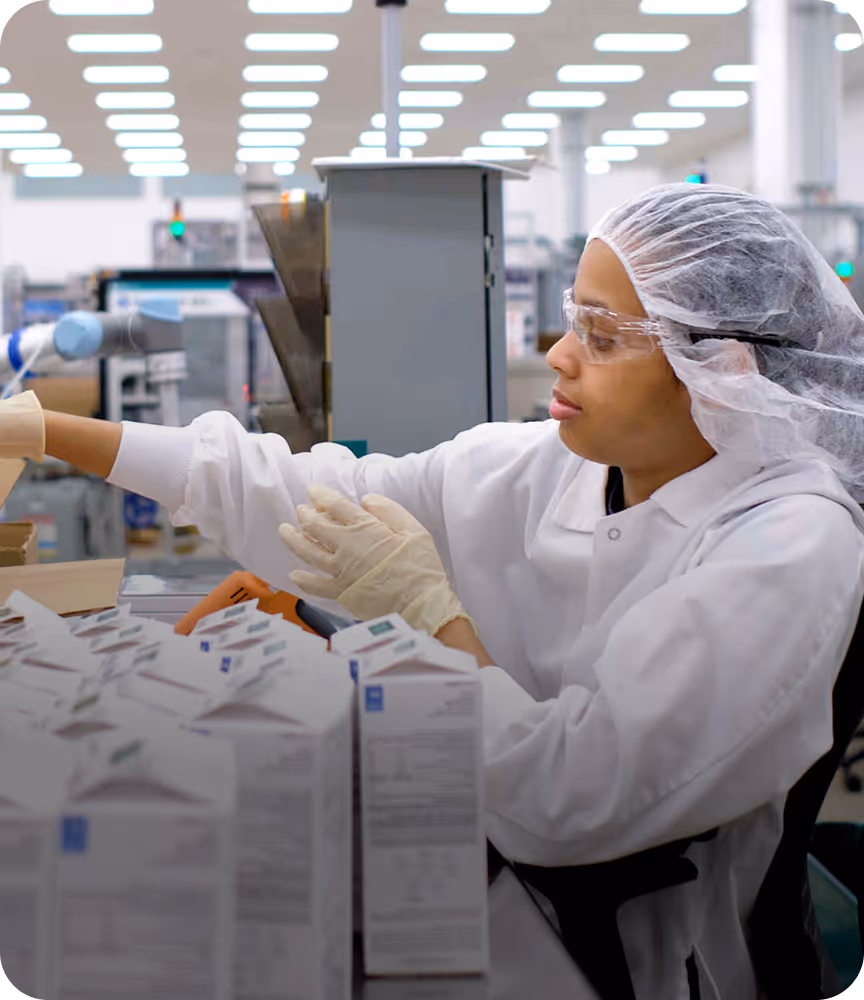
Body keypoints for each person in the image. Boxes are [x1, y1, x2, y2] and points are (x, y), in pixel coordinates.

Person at [3, 183, 864, 999]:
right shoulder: (546, 465)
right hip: (483, 870)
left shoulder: (789, 546)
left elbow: (570, 800)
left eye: (602, 337)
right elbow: (300, 497)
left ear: (723, 370)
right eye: (572, 322)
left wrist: (430, 617)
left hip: (652, 958)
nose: (557, 355)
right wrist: (46, 429)